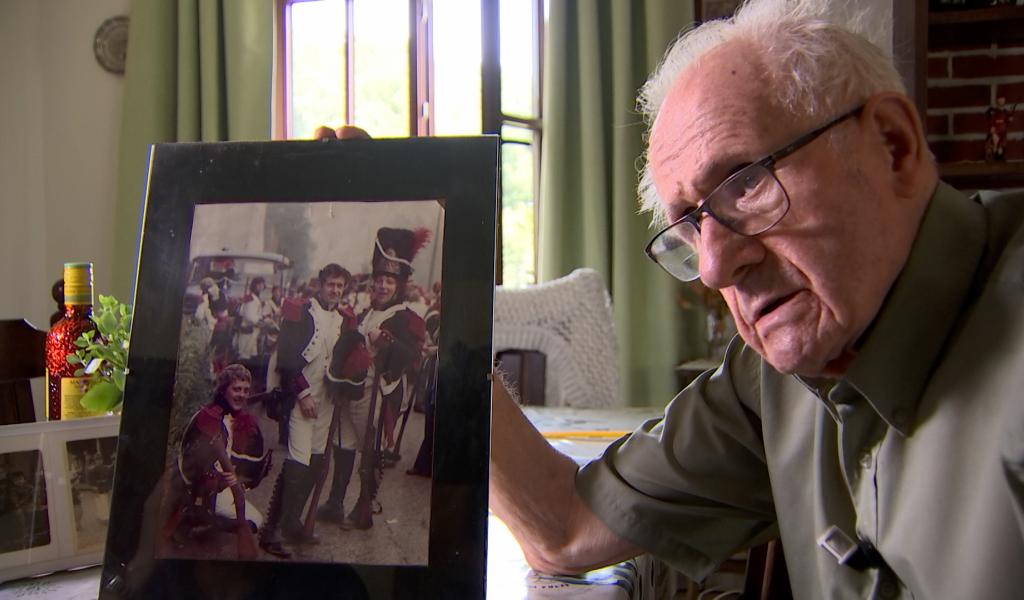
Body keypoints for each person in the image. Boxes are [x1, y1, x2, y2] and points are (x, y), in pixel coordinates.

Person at [489, 1, 1024, 598]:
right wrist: (435, 315)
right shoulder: (770, 379)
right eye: (690, 227)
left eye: (746, 183)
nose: (715, 268)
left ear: (892, 145)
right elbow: (566, 527)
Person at [315, 227, 428, 530]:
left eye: (389, 281)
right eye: (378, 280)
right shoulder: (365, 313)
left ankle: (363, 507)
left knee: (369, 450)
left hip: (378, 393)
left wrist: (386, 342)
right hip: (351, 389)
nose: (382, 286)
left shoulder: (405, 316)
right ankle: (335, 503)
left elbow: (410, 356)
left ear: (398, 286)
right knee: (343, 444)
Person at [258, 263, 351, 553]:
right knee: (297, 463)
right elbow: (287, 359)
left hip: (327, 401)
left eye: (340, 286)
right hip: (301, 399)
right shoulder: (300, 312)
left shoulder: (345, 320)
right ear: (320, 285)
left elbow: (347, 361)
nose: (334, 290)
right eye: (330, 284)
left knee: (315, 463)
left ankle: (292, 522)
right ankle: (270, 531)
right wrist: (303, 394)